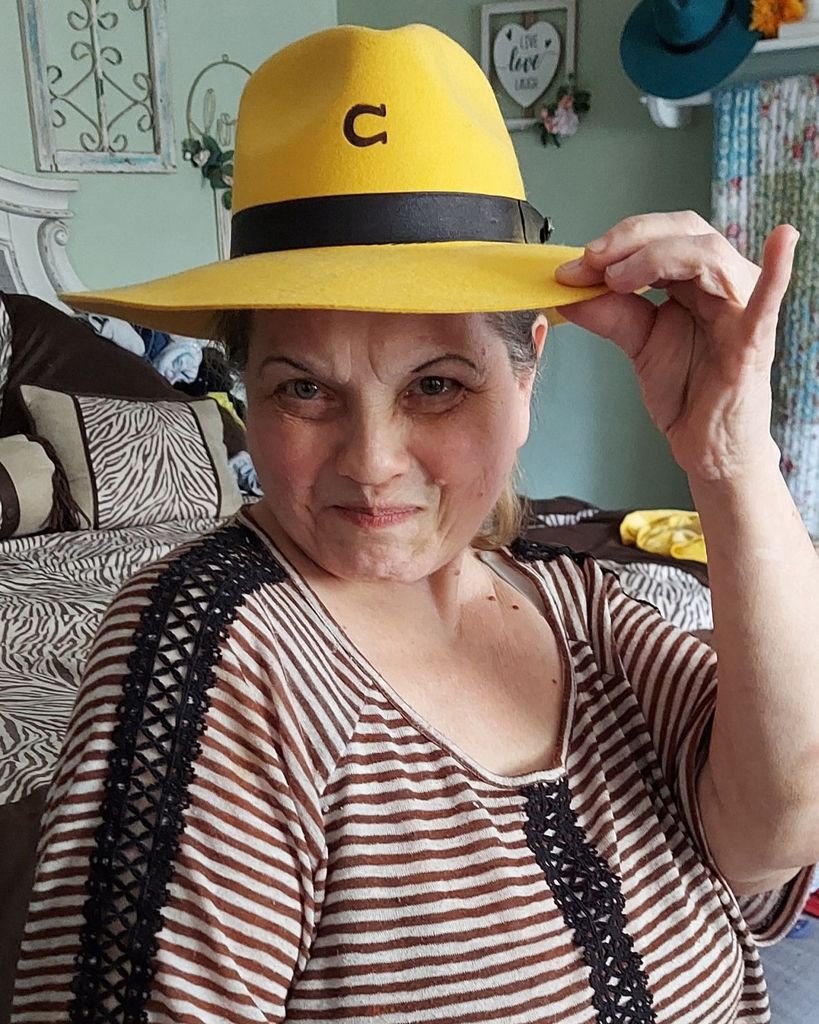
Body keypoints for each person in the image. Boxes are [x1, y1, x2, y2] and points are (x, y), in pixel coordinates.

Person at [12, 22, 819, 1024]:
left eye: (436, 385)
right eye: (304, 388)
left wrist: (731, 457)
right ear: (244, 392)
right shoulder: (212, 658)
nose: (371, 460)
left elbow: (778, 829)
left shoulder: (580, 604)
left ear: (528, 373)